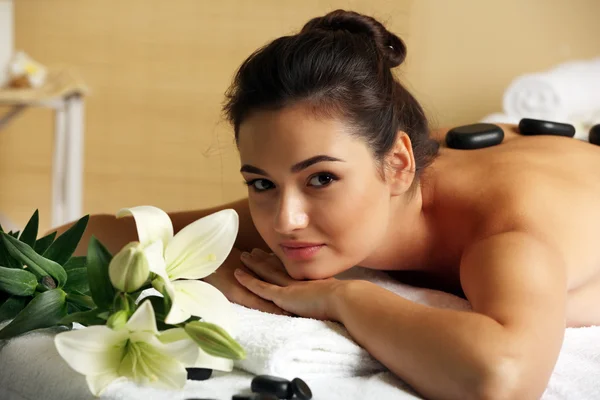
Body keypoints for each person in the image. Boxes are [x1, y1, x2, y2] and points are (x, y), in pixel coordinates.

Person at [58, 10, 600, 400]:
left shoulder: (507, 235)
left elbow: (501, 379)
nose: (286, 222)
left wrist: (343, 298)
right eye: (261, 183)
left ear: (398, 164)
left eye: (320, 178)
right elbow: (98, 234)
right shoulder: (326, 192)